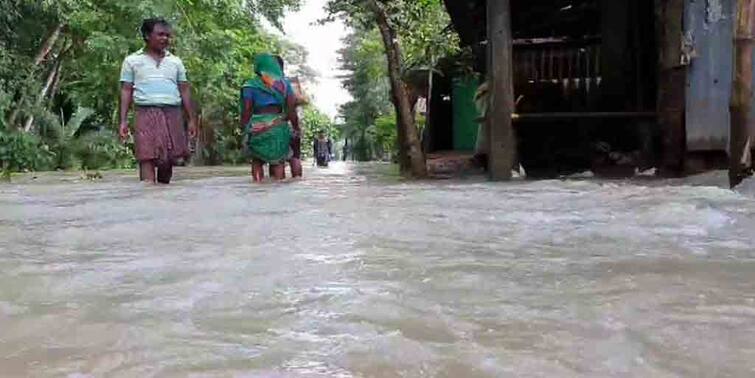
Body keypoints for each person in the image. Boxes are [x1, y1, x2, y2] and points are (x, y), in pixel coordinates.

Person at [119, 18, 197, 184]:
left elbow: (184, 89)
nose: (165, 39)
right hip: (145, 112)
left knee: (168, 158)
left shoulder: (176, 62)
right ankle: (147, 195)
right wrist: (123, 121)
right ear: (147, 35)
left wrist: (191, 120)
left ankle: (162, 195)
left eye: (167, 35)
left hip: (172, 112)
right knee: (146, 156)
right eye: (160, 34)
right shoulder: (132, 61)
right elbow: (126, 90)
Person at [240, 54, 300, 182]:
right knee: (278, 161)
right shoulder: (285, 85)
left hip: (257, 124)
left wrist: (244, 128)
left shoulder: (250, 85)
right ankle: (277, 191)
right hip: (278, 126)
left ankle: (257, 188)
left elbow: (246, 110)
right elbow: (291, 109)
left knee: (256, 160)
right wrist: (295, 127)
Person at [274, 55, 303, 179]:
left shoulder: (266, 85)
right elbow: (294, 108)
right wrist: (297, 127)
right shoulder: (289, 84)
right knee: (295, 157)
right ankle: (297, 183)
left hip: (274, 127)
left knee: (276, 160)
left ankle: (277, 185)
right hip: (292, 124)